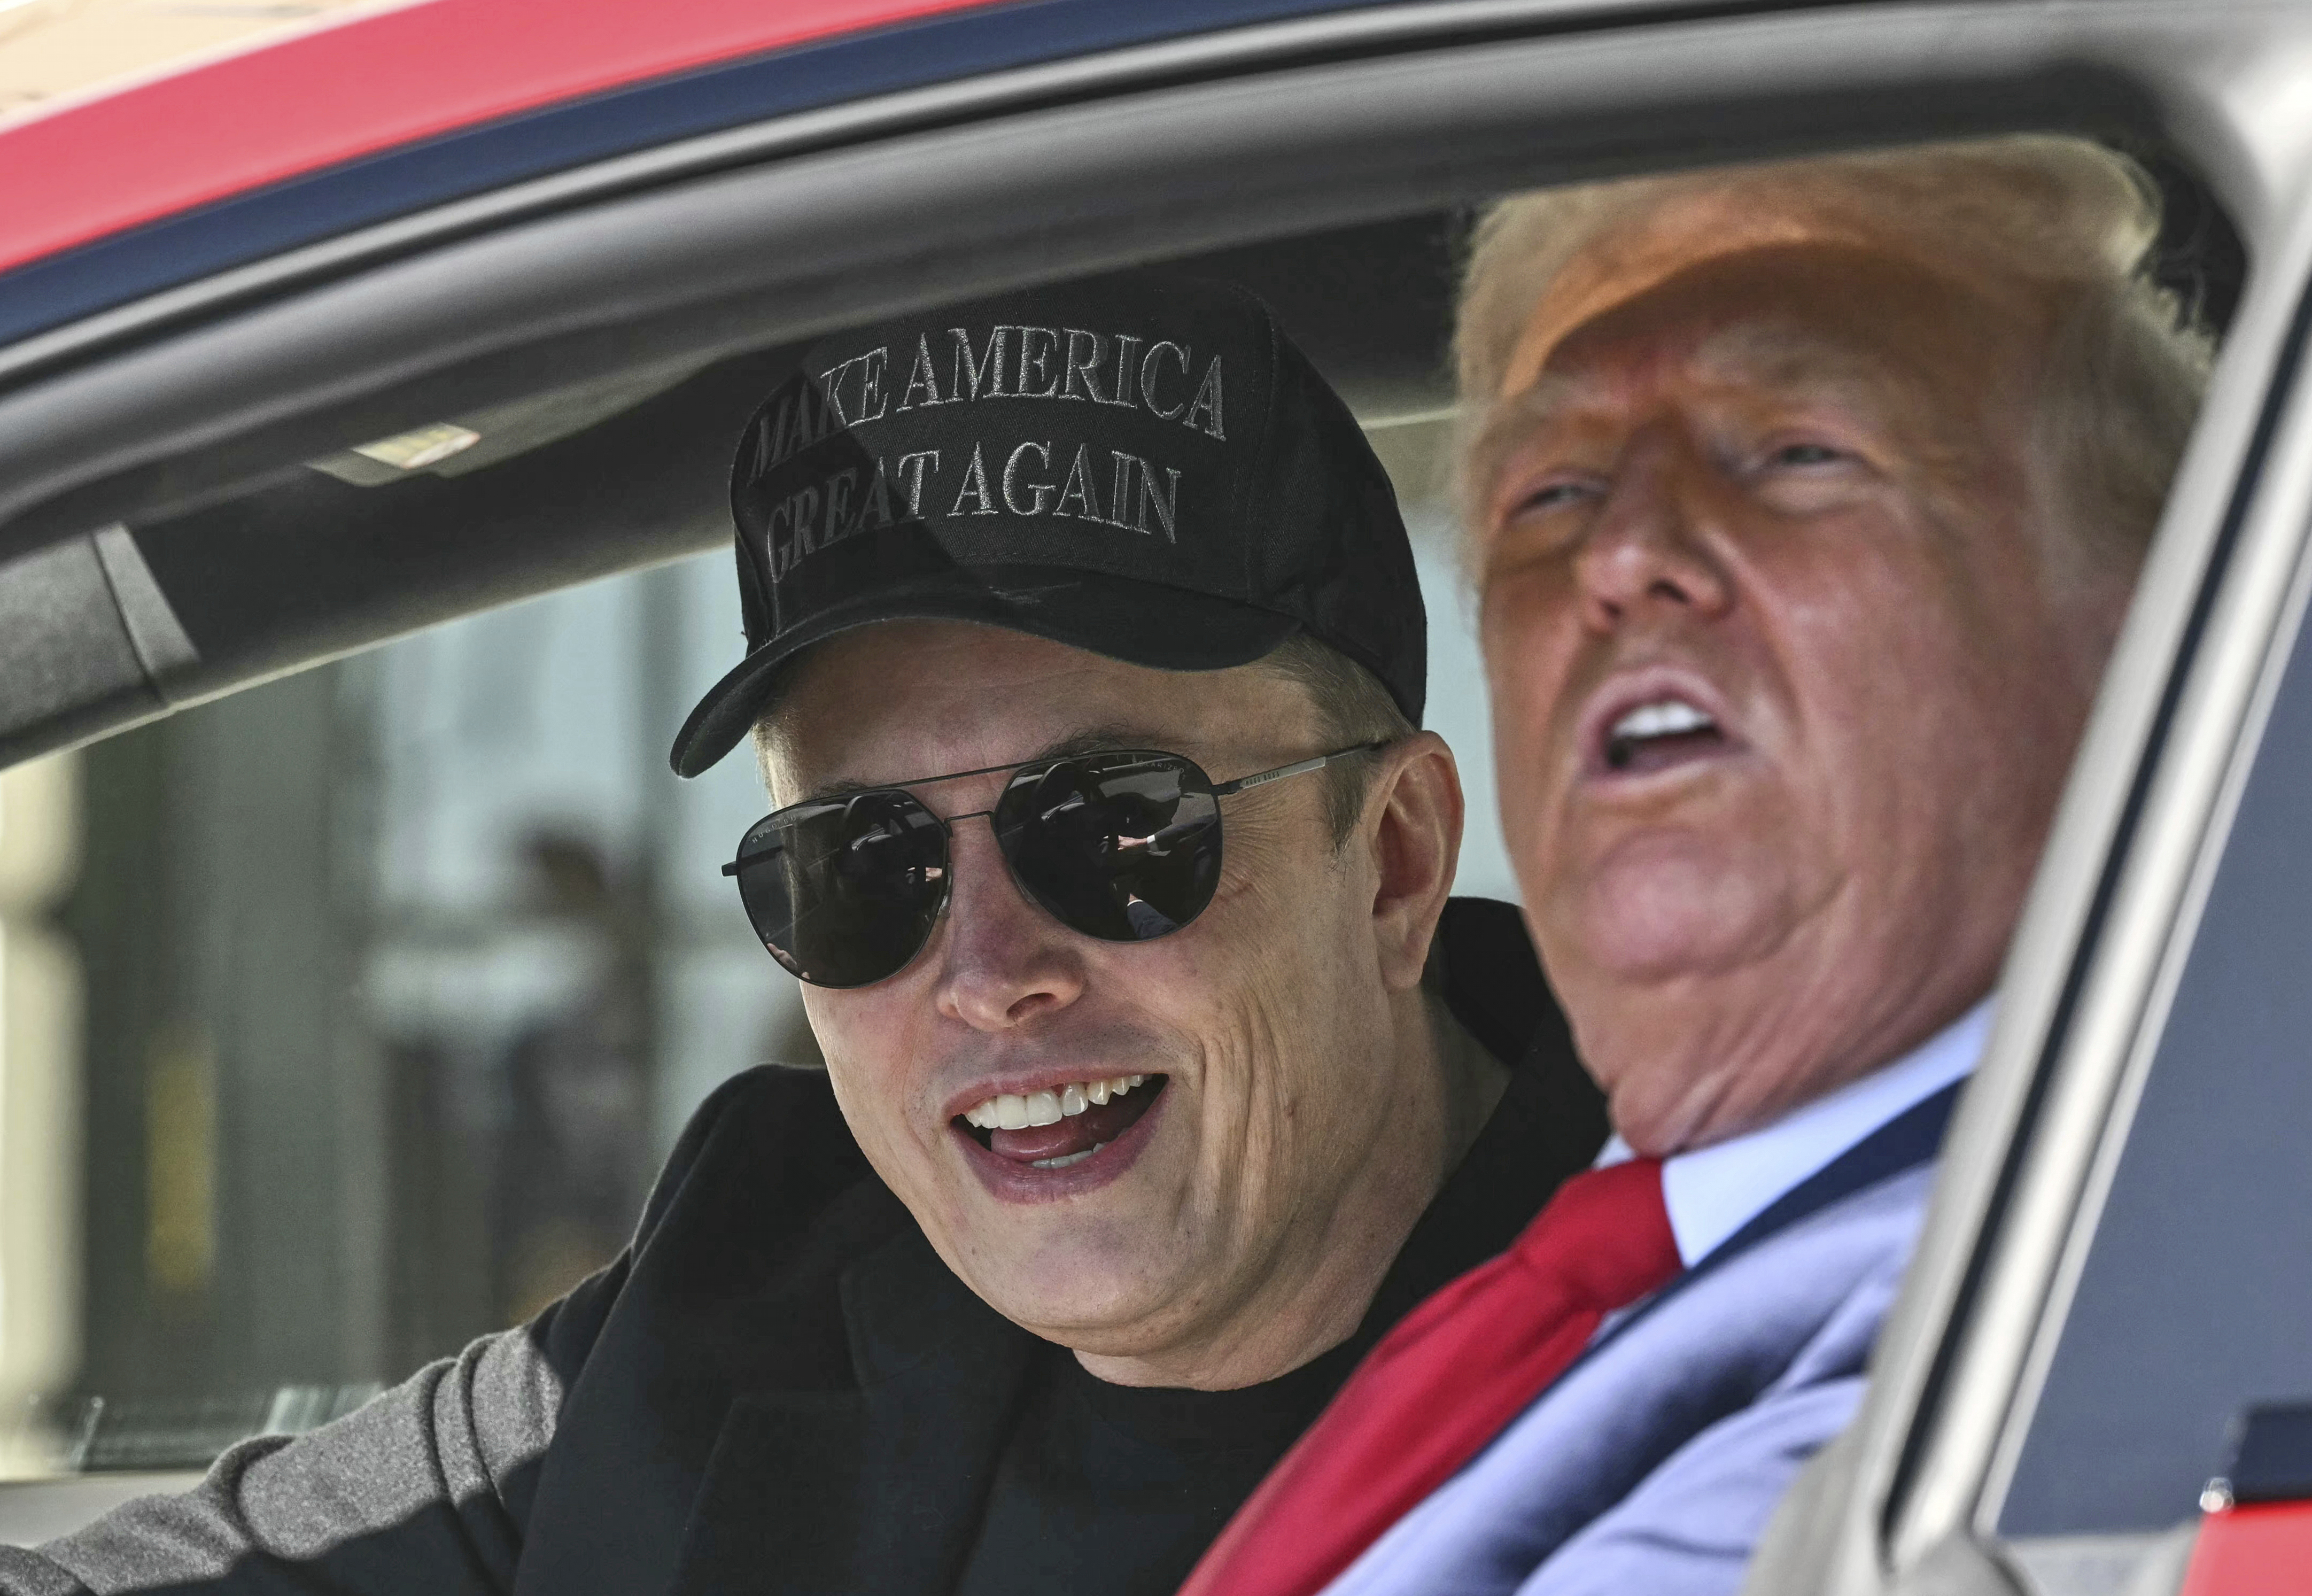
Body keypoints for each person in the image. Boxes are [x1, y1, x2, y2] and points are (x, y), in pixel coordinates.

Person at [0, 274, 1610, 1595]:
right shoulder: (759, 1274)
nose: (987, 973)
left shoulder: (1750, 1348)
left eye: (1115, 828)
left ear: (1393, 862)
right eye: (862, 869)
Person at [1180, 136, 2214, 1596]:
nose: (1624, 554)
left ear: (2149, 634)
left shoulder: (2070, 1336)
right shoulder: (1637, 1285)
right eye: (1552, 493)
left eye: (1798, 451)